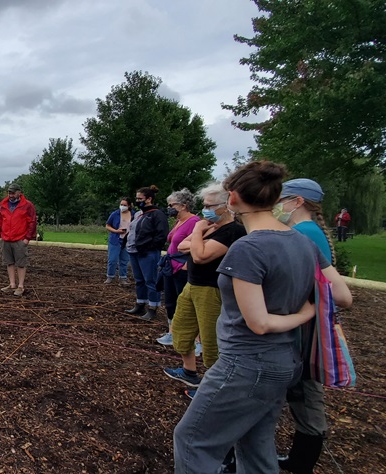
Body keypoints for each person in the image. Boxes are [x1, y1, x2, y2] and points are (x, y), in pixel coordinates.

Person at [173, 161, 352, 473]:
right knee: (255, 444)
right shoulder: (304, 241)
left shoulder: (247, 248)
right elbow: (342, 295)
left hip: (245, 364)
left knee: (191, 440)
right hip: (285, 363)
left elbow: (259, 323)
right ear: (275, 197)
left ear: (232, 198)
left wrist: (303, 314)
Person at [274, 178, 337, 473]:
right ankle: (299, 460)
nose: (277, 205)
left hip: (299, 330)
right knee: (301, 392)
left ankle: (301, 463)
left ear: (297, 201)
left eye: (281, 199)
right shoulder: (310, 231)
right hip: (302, 325)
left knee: (304, 393)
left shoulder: (301, 233)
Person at [161, 182, 246, 396]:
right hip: (193, 285)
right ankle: (189, 372)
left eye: (210, 205)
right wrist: (200, 237)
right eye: (205, 204)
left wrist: (198, 232)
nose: (205, 210)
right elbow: (182, 246)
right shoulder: (211, 227)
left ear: (226, 205)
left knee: (210, 340)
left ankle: (213, 388)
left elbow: (200, 256)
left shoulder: (233, 231)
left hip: (212, 289)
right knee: (181, 330)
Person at [156, 189, 200, 343]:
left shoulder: (194, 222)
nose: (169, 208)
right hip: (170, 266)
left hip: (182, 267)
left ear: (183, 205)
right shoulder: (178, 221)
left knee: (186, 303)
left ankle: (196, 340)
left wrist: (186, 265)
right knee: (170, 301)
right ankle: (172, 332)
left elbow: (196, 244)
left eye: (171, 205)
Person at [125, 185, 169, 321]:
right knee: (139, 280)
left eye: (140, 198)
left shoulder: (157, 214)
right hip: (134, 251)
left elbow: (161, 235)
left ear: (149, 199)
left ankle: (153, 308)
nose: (137, 201)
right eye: (136, 198)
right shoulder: (139, 214)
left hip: (147, 252)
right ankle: (140, 303)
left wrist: (149, 247)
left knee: (151, 280)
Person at [0, 183, 37, 296]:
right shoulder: (3, 205)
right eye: (9, 192)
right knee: (9, 262)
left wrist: (27, 238)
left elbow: (32, 222)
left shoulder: (27, 205)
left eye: (13, 193)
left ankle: (20, 286)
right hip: (6, 238)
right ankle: (12, 284)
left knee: (21, 263)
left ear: (19, 192)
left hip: (20, 239)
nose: (11, 195)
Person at [104, 198, 132, 284]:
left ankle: (123, 277)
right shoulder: (115, 214)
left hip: (127, 240)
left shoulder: (134, 215)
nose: (122, 207)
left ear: (129, 206)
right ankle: (110, 276)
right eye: (121, 204)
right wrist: (116, 231)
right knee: (112, 259)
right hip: (115, 239)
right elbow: (107, 225)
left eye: (125, 205)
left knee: (124, 260)